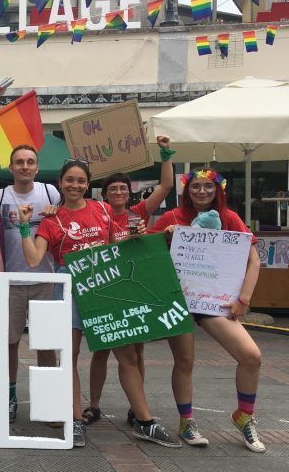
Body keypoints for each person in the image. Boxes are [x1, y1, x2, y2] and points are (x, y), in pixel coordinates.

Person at [17, 160, 180, 449]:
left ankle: (145, 422)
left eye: (81, 180)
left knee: (127, 356)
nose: (75, 185)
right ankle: (75, 419)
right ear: (60, 184)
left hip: (106, 286)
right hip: (68, 288)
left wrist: (137, 232)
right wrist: (23, 228)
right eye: (69, 180)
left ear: (88, 183)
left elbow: (125, 240)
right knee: (70, 356)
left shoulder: (103, 210)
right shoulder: (51, 220)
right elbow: (32, 259)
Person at [150, 168, 265, 452]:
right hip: (179, 300)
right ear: (186, 190)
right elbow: (144, 251)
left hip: (214, 301)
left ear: (218, 190)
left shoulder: (230, 218)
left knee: (251, 356)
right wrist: (163, 238)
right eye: (195, 187)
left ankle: (244, 416)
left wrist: (243, 300)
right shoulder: (171, 218)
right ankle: (186, 421)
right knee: (185, 361)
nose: (201, 192)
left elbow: (254, 261)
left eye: (208, 187)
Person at [84, 136, 175, 427]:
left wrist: (165, 153)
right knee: (100, 350)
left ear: (129, 192)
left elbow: (166, 187)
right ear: (105, 195)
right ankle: (94, 405)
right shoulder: (97, 214)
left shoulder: (138, 214)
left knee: (137, 351)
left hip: (135, 288)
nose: (119, 192)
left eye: (123, 188)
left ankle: (137, 407)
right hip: (106, 288)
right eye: (113, 189)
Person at [0, 144, 60, 423]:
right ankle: (10, 397)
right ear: (11, 168)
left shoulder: (50, 192)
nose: (24, 166)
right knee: (9, 343)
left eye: (30, 162)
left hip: (45, 278)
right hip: (10, 280)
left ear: (37, 167)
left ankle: (49, 401)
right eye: (19, 162)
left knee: (46, 343)